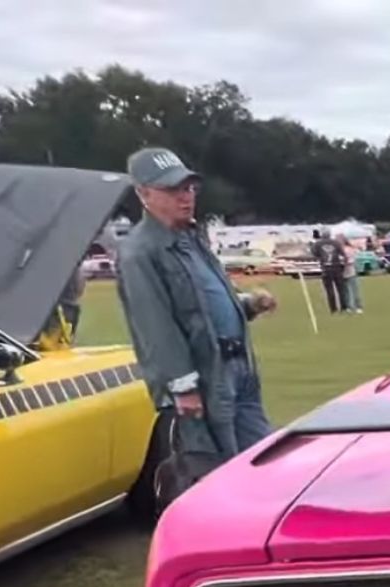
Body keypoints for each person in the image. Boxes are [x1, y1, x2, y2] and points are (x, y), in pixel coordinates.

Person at [115, 146, 278, 462]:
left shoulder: (191, 237)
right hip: (205, 376)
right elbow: (155, 326)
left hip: (238, 365)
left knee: (262, 458)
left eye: (189, 187)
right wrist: (182, 386)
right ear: (143, 193)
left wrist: (247, 304)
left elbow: (204, 304)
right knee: (218, 466)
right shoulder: (140, 252)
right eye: (172, 189)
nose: (185, 196)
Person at [309, 228, 347, 313]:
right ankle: (343, 307)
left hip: (325, 268)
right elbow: (343, 255)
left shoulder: (318, 244)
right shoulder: (336, 243)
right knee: (341, 289)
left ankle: (333, 309)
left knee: (330, 290)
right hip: (336, 267)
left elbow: (314, 254)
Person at [340, 233, 364, 314]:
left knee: (354, 289)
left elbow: (351, 259)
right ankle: (349, 306)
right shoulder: (339, 249)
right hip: (342, 271)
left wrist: (345, 261)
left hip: (350, 270)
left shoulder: (348, 249)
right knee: (345, 290)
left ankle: (358, 306)